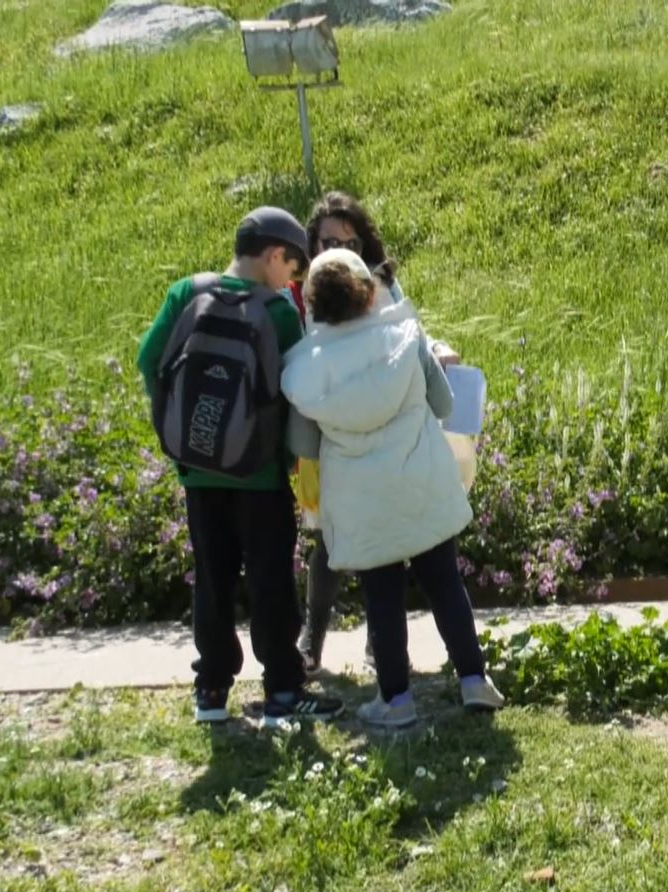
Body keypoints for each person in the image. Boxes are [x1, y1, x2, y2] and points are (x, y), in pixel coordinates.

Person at [136, 206, 344, 725]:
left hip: (198, 471)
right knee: (271, 578)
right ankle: (282, 692)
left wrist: (185, 425)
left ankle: (211, 689)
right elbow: (299, 388)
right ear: (275, 255)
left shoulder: (185, 293)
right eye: (292, 267)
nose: (292, 278)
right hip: (260, 472)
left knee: (212, 577)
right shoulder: (275, 312)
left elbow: (148, 359)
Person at [283, 249, 505, 729]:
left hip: (361, 499)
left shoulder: (304, 370)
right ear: (368, 291)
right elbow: (444, 404)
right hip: (421, 479)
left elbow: (303, 444)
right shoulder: (406, 338)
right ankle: (474, 680)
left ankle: (396, 700)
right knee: (445, 582)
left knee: (381, 596)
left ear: (313, 304)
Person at [292, 192, 459, 675]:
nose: (338, 248)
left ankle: (379, 645)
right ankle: (312, 636)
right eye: (328, 240)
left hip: (382, 433)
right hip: (331, 430)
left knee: (389, 537)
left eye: (349, 240)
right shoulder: (301, 291)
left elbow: (410, 332)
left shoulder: (382, 283)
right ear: (312, 243)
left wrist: (436, 349)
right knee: (328, 537)